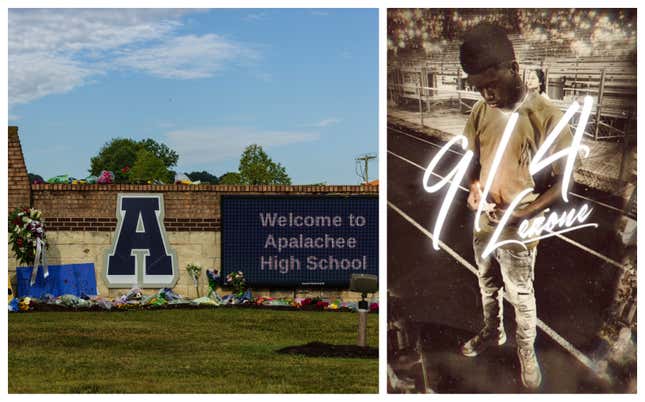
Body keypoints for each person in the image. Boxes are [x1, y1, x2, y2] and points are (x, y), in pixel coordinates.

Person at [458, 23, 574, 390]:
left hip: (521, 225)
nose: (485, 94)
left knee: (521, 294)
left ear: (512, 66)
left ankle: (527, 350)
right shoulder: (480, 111)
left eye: (490, 84)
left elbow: (563, 186)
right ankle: (492, 333)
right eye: (477, 87)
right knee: (486, 282)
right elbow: (472, 163)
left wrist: (525, 212)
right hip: (485, 221)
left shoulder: (548, 117)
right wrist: (474, 187)